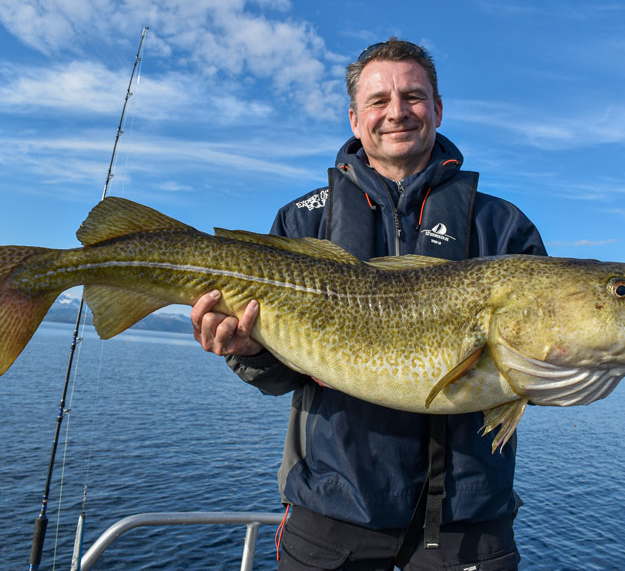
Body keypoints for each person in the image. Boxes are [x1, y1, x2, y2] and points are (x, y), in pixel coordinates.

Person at [191, 38, 546, 570]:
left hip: (468, 523)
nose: (397, 112)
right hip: (331, 513)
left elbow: (539, 369)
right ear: (355, 119)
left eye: (413, 96)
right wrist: (245, 350)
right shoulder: (301, 222)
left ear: (438, 109)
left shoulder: (503, 227)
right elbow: (278, 374)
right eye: (379, 101)